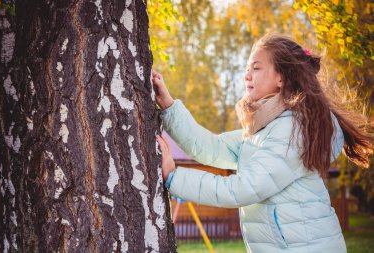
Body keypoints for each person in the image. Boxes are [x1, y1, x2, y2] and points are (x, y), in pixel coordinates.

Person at [152, 34, 373, 253]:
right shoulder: (266, 128)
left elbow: (244, 188)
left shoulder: (292, 132)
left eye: (256, 68)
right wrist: (170, 107)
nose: (247, 75)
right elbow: (213, 147)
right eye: (247, 68)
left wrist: (175, 177)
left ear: (281, 78)